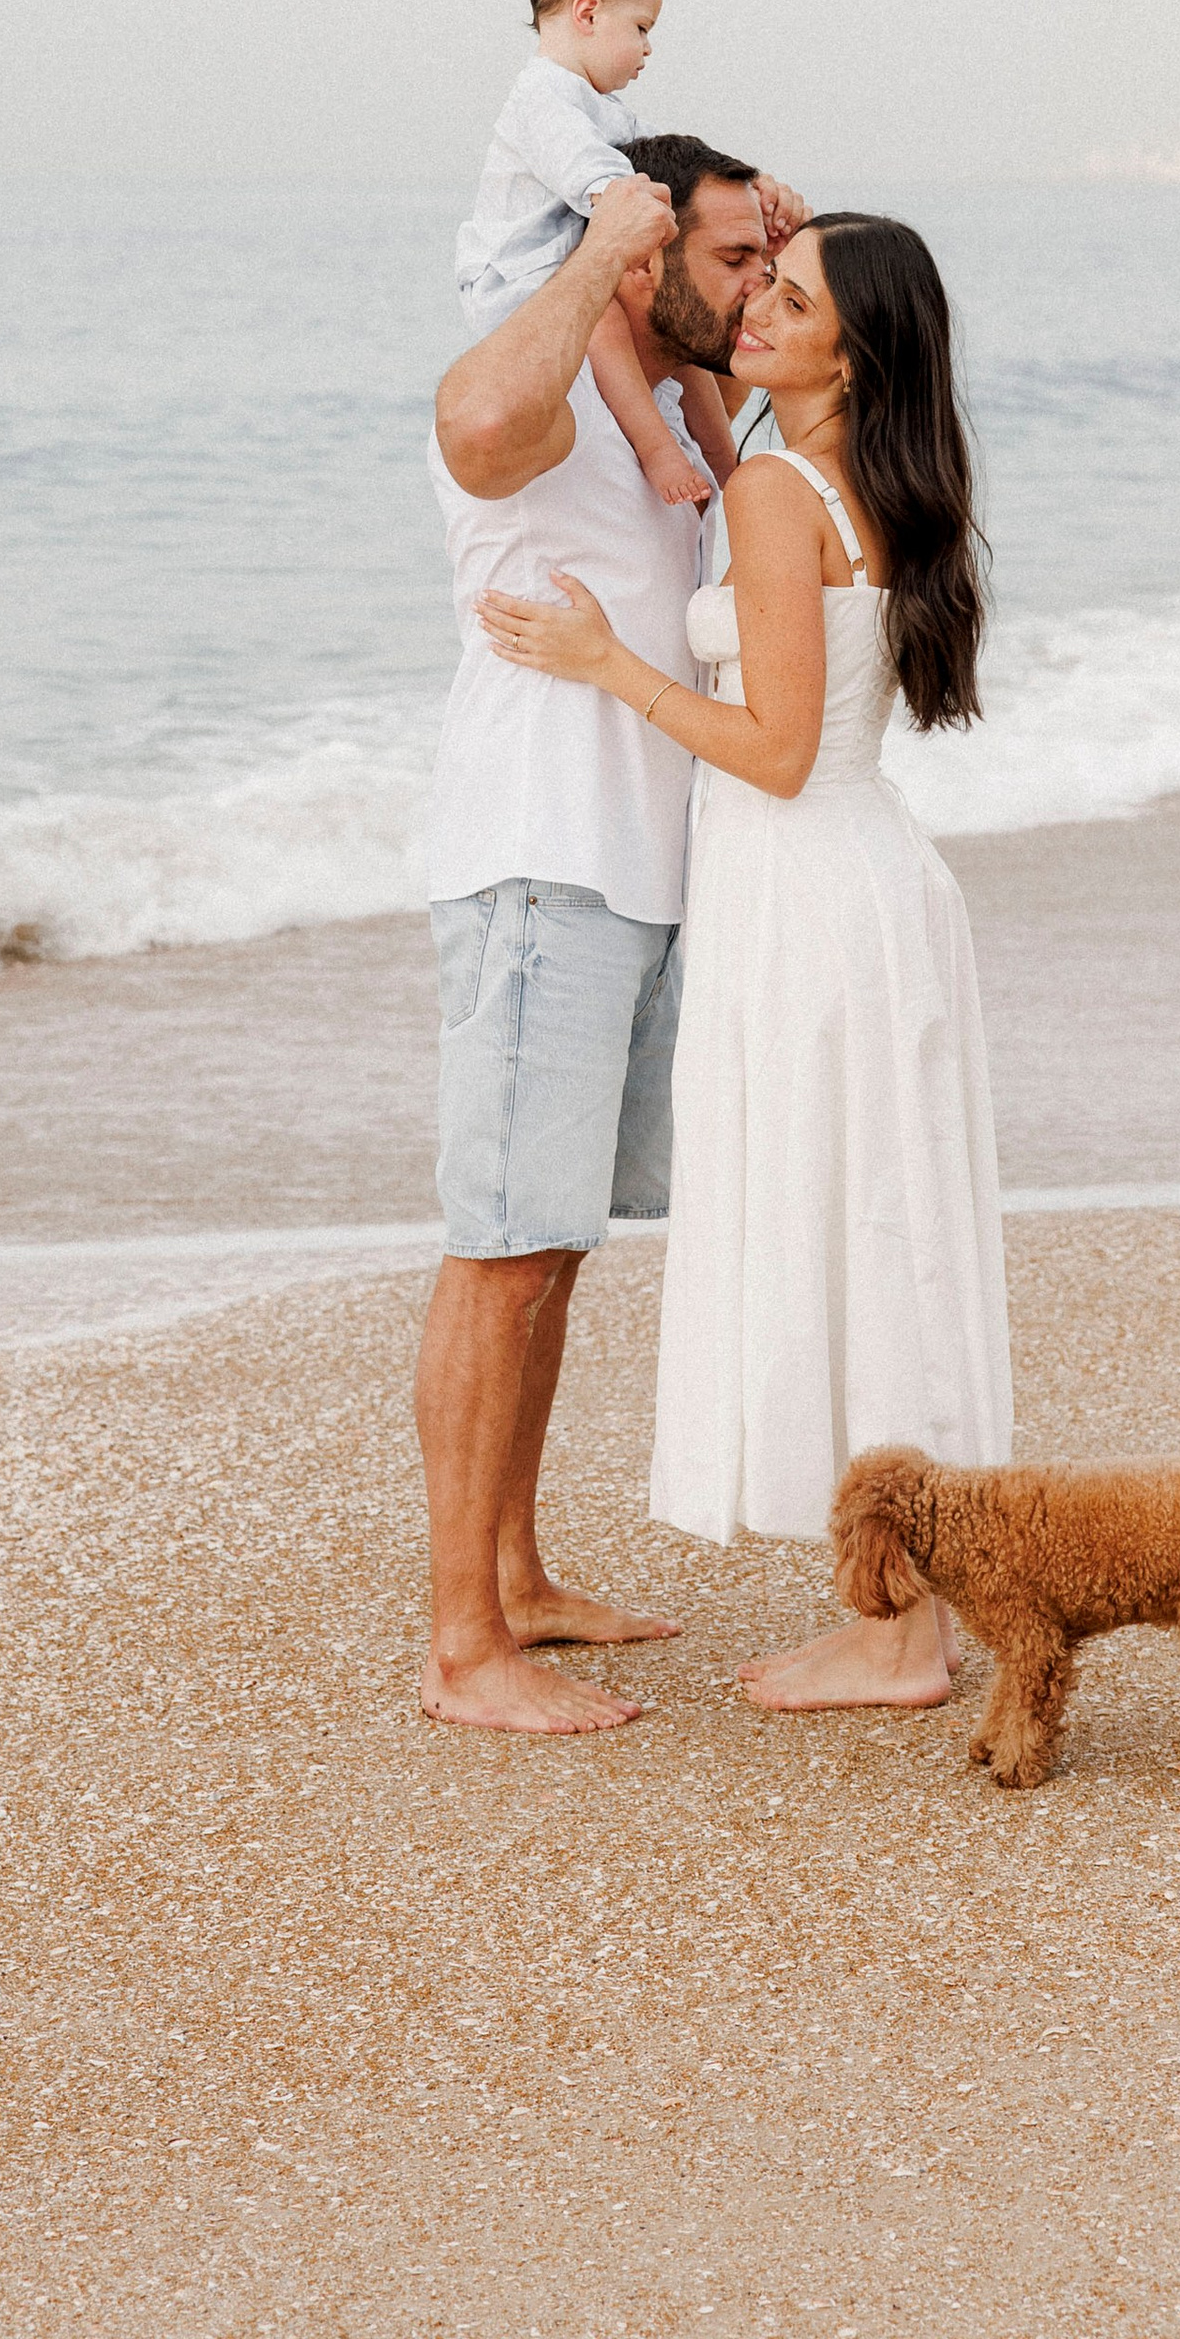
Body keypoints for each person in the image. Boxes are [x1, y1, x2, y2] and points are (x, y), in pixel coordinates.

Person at [476, 212, 1012, 1713]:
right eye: (762, 280)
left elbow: (773, 750)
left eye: (795, 300)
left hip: (809, 892)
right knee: (878, 1235)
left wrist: (608, 666)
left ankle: (896, 1632)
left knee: (845, 1232)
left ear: (855, 353)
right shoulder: (869, 478)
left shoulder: (779, 492)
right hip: (865, 880)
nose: (759, 310)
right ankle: (907, 1610)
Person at [415, 135, 803, 1734]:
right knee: (502, 1250)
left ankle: (513, 1576)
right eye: (730, 261)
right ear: (642, 258)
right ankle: (461, 1648)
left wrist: (781, 245)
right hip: (540, 863)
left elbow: (805, 418)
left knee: (552, 1245)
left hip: (637, 875)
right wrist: (596, 256)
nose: (755, 285)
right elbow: (468, 425)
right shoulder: (553, 382)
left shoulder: (670, 410)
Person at [455, 0, 741, 511]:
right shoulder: (541, 95)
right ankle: (656, 447)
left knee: (677, 333)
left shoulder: (602, 106)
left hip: (570, 268)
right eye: (641, 28)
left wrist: (744, 190)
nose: (648, 48)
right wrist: (621, 200)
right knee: (607, 316)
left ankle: (728, 468)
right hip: (520, 281)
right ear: (587, 13)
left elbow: (670, 160)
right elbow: (587, 170)